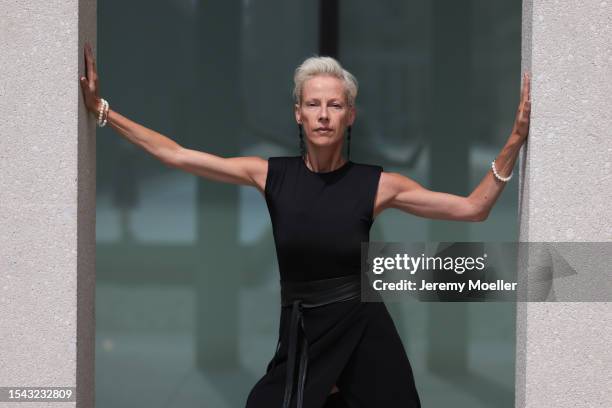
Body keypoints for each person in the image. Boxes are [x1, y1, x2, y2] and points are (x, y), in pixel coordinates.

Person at [80, 42, 531, 408]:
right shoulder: (270, 175)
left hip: (364, 333)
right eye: (313, 104)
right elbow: (175, 154)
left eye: (335, 105)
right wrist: (103, 109)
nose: (323, 114)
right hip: (303, 335)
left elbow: (474, 208)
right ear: (298, 112)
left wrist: (512, 142)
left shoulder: (378, 185)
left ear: (350, 116)